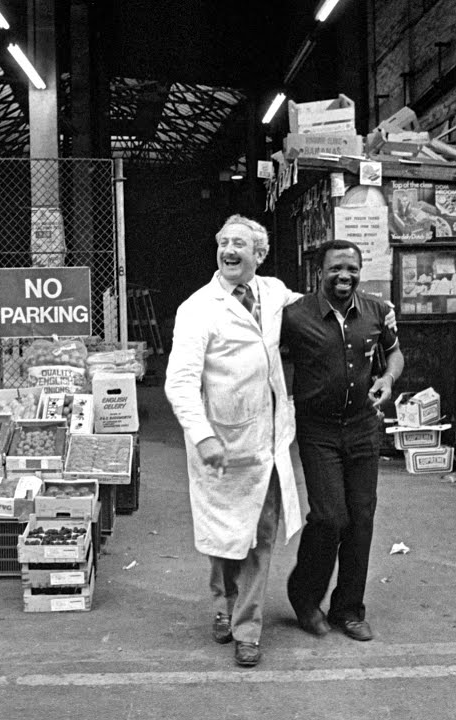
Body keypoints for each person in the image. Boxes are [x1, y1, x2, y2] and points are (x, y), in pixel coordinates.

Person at [164, 214, 304, 668]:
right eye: (223, 242)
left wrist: (376, 308)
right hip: (220, 442)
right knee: (225, 540)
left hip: (267, 439)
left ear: (258, 255)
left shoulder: (274, 292)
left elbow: (318, 308)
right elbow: (179, 383)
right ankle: (222, 605)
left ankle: (248, 629)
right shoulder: (197, 308)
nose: (229, 250)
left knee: (260, 536)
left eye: (239, 244)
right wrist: (203, 437)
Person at [280, 239, 405, 642]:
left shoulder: (377, 312)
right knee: (331, 516)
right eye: (336, 268)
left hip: (363, 427)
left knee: (361, 518)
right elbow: (272, 362)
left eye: (351, 268)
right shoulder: (295, 317)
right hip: (318, 431)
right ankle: (304, 597)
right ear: (321, 271)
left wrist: (386, 379)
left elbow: (395, 354)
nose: (344, 276)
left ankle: (348, 609)